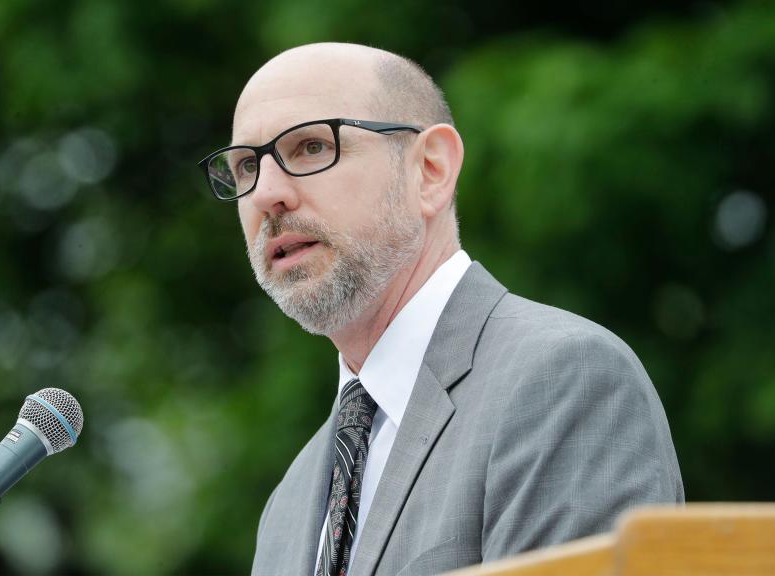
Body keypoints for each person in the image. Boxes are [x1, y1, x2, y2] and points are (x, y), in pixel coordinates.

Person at [197, 42, 684, 576]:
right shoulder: (288, 507)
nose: (267, 193)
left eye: (311, 146)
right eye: (245, 166)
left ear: (430, 170)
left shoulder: (563, 380)